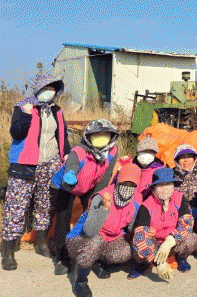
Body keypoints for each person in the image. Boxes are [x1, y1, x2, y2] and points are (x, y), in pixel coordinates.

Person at [1, 73, 70, 271]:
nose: (49, 92)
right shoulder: (23, 106)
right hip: (25, 164)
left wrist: (66, 153)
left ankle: (41, 243)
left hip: (50, 164)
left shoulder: (56, 110)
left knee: (45, 205)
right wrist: (25, 114)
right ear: (38, 88)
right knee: (16, 206)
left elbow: (62, 135)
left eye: (53, 89)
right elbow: (16, 133)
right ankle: (8, 252)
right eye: (46, 88)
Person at [50, 119, 120, 275]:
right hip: (65, 185)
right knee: (63, 218)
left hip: (89, 185)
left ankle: (92, 254)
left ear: (111, 136)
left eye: (105, 133)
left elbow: (106, 176)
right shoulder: (78, 152)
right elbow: (71, 169)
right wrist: (70, 177)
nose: (101, 136)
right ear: (88, 136)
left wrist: (96, 200)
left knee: (93, 216)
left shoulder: (112, 151)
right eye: (97, 133)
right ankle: (62, 257)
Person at [66, 163, 143, 297]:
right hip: (82, 238)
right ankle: (80, 281)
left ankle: (97, 262)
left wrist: (141, 233)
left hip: (111, 238)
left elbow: (131, 226)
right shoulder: (101, 197)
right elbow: (89, 230)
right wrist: (104, 209)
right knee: (96, 242)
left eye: (132, 185)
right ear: (118, 180)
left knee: (125, 251)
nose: (127, 188)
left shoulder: (137, 198)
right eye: (124, 183)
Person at [131, 167, 197, 281]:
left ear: (173, 185)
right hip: (154, 243)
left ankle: (181, 258)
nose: (165, 189)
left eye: (168, 184)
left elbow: (187, 222)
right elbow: (140, 235)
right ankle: (147, 263)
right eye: (160, 185)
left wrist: (171, 240)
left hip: (173, 242)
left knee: (192, 238)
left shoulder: (179, 198)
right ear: (154, 188)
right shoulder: (146, 205)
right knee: (138, 245)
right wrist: (158, 263)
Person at [172, 143, 197, 221]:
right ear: (177, 160)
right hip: (177, 211)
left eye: (189, 157)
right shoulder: (171, 174)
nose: (186, 160)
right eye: (182, 157)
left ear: (194, 158)